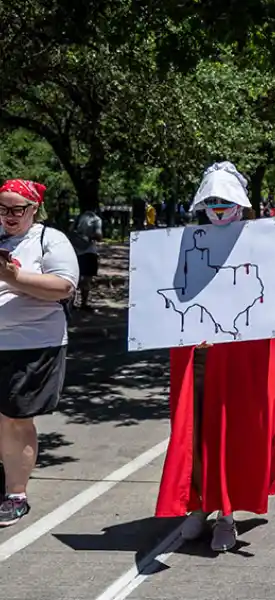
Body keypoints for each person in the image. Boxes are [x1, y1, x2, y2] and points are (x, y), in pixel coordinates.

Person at [155, 163, 275, 552]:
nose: (219, 208)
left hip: (244, 357)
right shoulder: (183, 241)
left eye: (225, 201)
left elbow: (271, 299)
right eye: (211, 201)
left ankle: (227, 514)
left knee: (234, 431)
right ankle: (198, 504)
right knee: (195, 431)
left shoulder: (262, 242)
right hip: (198, 353)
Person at [0, 179, 79, 527]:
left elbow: (64, 286)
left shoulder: (51, 239)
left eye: (17, 209)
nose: (9, 216)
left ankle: (16, 494)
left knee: (16, 419)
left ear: (34, 209)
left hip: (31, 345)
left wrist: (14, 276)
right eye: (3, 209)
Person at [70, 209, 103, 311]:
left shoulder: (78, 217)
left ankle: (71, 304)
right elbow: (99, 235)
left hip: (76, 251)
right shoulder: (96, 220)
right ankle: (84, 303)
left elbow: (70, 230)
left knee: (75, 279)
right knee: (87, 280)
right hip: (89, 251)